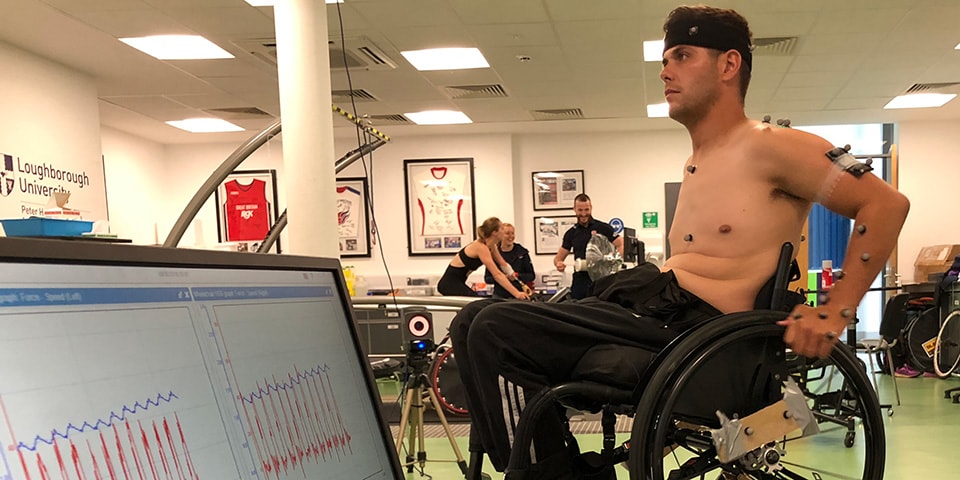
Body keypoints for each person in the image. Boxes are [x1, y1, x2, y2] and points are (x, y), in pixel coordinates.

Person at [450, 5, 910, 479]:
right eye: (665, 60)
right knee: (470, 320)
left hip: (701, 334)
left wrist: (834, 311)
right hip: (655, 314)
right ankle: (549, 467)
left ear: (729, 64)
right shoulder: (697, 162)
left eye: (683, 56)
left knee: (494, 327)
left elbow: (886, 205)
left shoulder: (773, 144)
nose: (665, 71)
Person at [437, 217, 531, 300]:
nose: (504, 231)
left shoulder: (492, 246)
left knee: (477, 304)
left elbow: (503, 264)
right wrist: (516, 293)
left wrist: (512, 274)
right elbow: (497, 274)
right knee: (476, 304)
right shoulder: (481, 247)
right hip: (448, 284)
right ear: (495, 233)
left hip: (459, 282)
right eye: (502, 229)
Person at [553, 194, 624, 299]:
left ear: (591, 208)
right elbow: (558, 259)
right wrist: (559, 264)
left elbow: (621, 244)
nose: (583, 214)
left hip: (601, 280)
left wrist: (615, 262)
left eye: (586, 210)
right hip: (580, 281)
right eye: (580, 210)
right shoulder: (571, 233)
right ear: (574, 209)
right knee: (578, 308)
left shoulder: (603, 228)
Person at [484, 223, 536, 299]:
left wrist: (517, 275)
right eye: (507, 233)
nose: (511, 236)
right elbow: (487, 279)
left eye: (512, 233)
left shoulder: (522, 252)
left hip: (520, 294)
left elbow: (531, 276)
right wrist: (502, 278)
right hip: (500, 296)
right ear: (500, 235)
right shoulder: (493, 253)